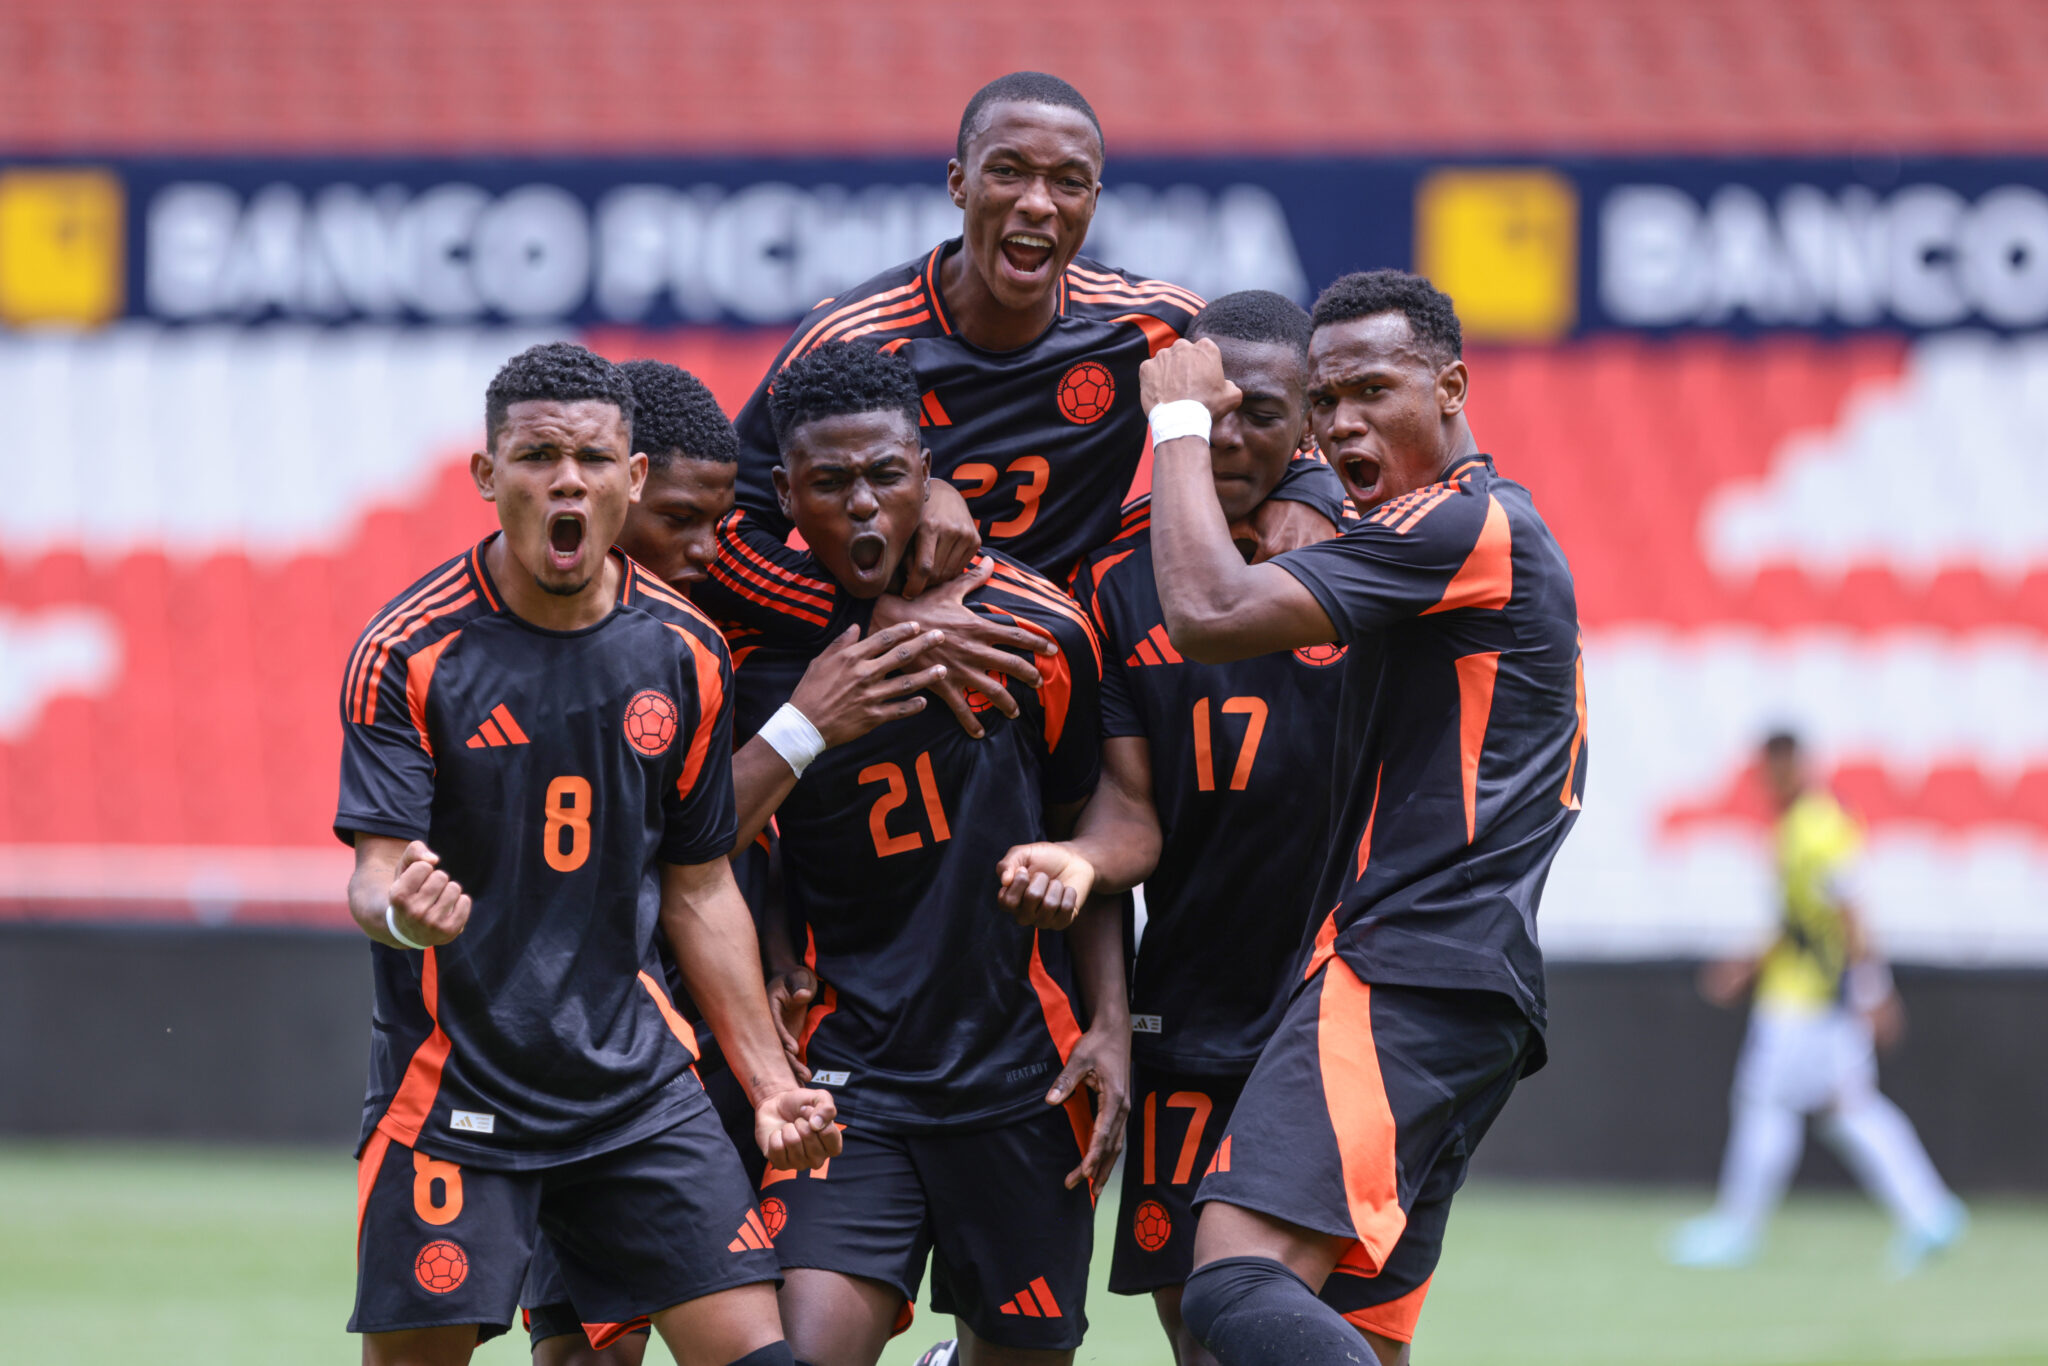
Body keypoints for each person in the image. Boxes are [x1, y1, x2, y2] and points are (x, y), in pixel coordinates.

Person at [335, 341, 838, 1366]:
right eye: (537, 455)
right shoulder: (407, 653)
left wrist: (771, 1081)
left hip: (634, 1088)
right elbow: (376, 874)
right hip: (454, 1086)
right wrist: (402, 910)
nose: (567, 478)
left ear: (632, 478)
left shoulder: (684, 651)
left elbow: (700, 889)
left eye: (594, 459)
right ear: (488, 477)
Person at [1129, 271, 1587, 1366]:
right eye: (1324, 401)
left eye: (1371, 390)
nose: (1340, 423)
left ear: (1450, 386)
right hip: (1468, 988)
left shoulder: (1462, 527)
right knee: (1348, 1336)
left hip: (1403, 970)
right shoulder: (1462, 537)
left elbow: (1203, 610)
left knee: (1228, 1280)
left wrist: (1181, 422)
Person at [516, 358, 948, 1366]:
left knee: (783, 1344)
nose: (711, 551)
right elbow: (658, 851)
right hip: (594, 1046)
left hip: (735, 1036)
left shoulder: (716, 639)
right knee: (585, 1351)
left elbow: (729, 862)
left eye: (721, 519)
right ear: (617, 488)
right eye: (680, 520)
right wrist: (804, 729)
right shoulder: (531, 645)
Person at [700, 71, 1346, 734]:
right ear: (959, 182)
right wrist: (866, 618)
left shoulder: (1152, 328)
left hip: (1064, 656)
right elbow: (716, 526)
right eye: (1008, 171)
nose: (1038, 203)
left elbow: (1289, 388)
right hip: (885, 654)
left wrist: (1310, 485)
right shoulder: (851, 343)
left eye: (1067, 181)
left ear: (1092, 203)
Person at [732, 342, 1126, 1366]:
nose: (861, 506)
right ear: (783, 491)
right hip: (848, 1072)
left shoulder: (1039, 630)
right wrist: (809, 719)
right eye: (828, 484)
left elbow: (1091, 826)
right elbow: (694, 845)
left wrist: (1112, 1023)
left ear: (928, 468)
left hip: (1019, 1076)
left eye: (886, 475)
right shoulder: (749, 651)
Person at [1004, 291, 1345, 1366]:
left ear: (1307, 426)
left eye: (1265, 414)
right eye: (1214, 410)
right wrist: (1079, 877)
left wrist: (1320, 491)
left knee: (1325, 1336)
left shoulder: (1367, 560)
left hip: (1334, 1013)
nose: (1234, 435)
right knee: (1201, 1332)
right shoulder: (1112, 583)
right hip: (1187, 1016)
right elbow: (1127, 817)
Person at [1668, 730, 1966, 1275]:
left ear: (1796, 766)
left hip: (1808, 1001)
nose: (1772, 780)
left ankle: (1738, 1228)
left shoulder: (1817, 829)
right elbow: (1799, 922)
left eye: (1778, 768)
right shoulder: (1799, 828)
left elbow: (1851, 912)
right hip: (1814, 998)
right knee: (1849, 1108)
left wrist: (1874, 991)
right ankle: (1930, 1213)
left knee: (1766, 1102)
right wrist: (1748, 964)